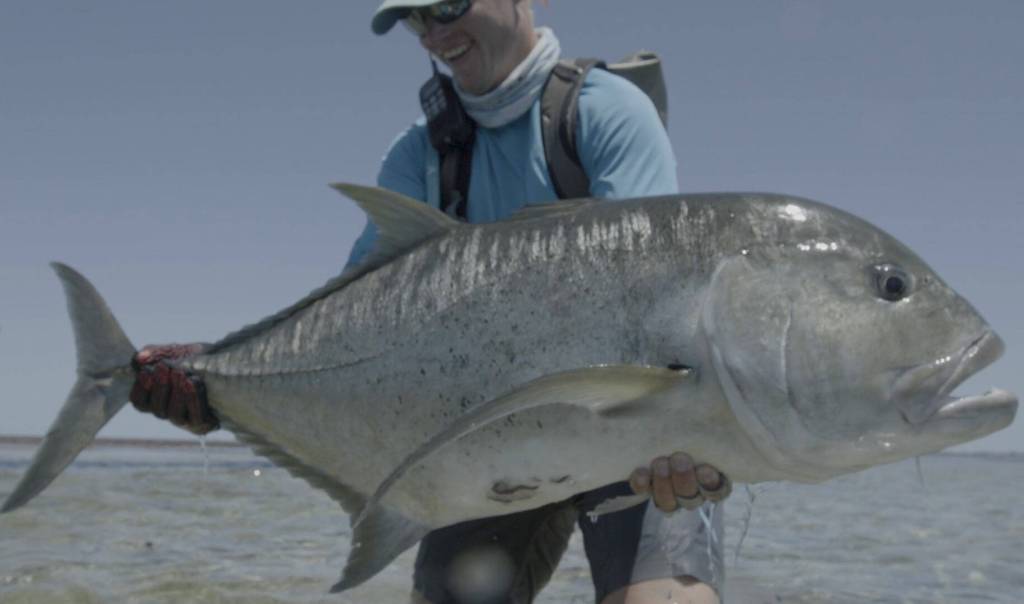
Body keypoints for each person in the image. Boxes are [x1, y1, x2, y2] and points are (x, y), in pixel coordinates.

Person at [130, 1, 731, 602]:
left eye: (447, 6)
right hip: (490, 445)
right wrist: (220, 381)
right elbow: (346, 329)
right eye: (416, 21)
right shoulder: (419, 155)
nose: (435, 35)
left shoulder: (608, 112)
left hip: (633, 435)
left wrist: (696, 434)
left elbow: (653, 306)